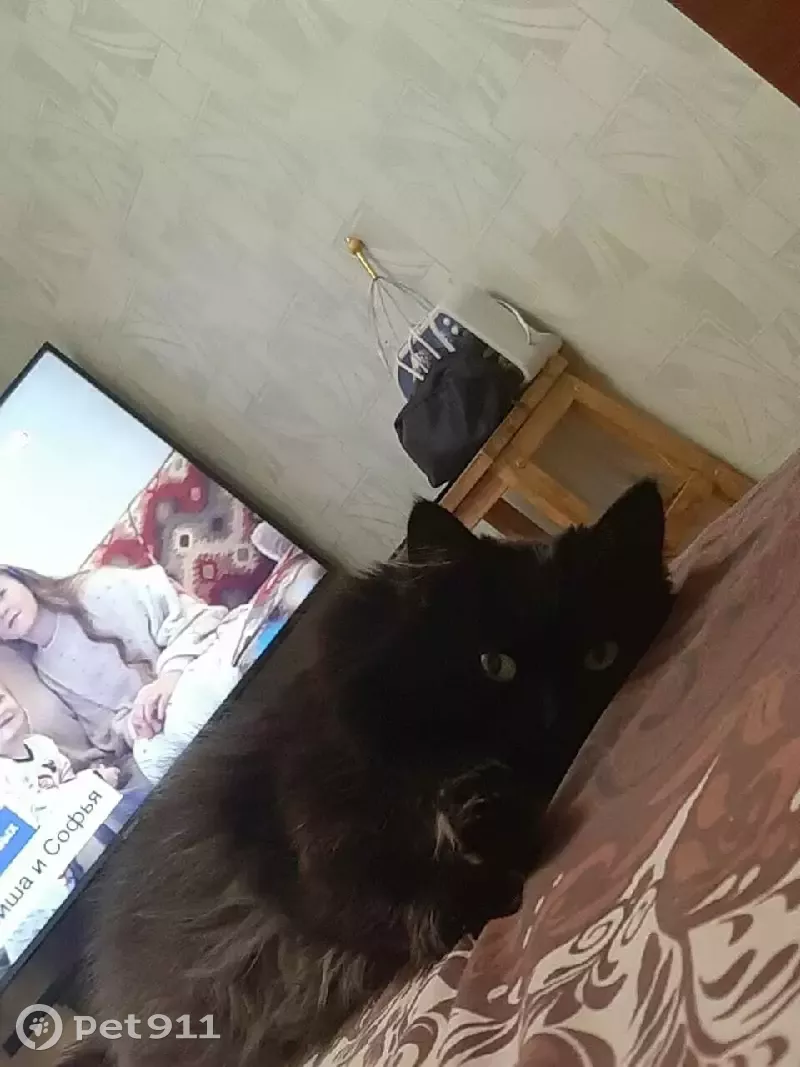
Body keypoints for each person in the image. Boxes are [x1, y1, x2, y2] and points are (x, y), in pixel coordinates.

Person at [0, 564, 233, 787]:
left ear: (19, 578)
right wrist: (136, 723)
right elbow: (106, 733)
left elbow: (197, 618)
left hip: (204, 663)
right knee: (152, 759)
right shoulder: (45, 671)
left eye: (1, 595)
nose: (1, 612)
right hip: (163, 729)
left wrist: (170, 677)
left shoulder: (95, 589)